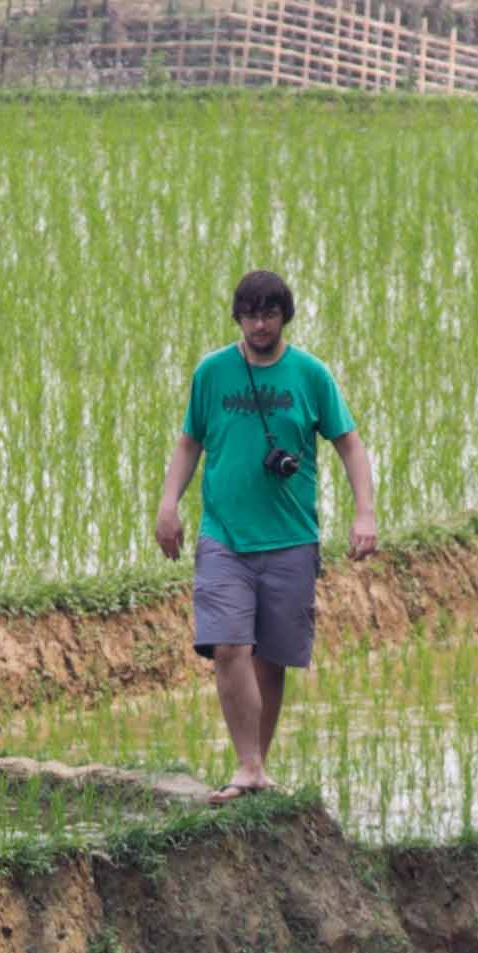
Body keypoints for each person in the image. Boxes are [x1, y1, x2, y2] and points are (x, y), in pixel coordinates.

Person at [154, 270, 377, 803]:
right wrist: (168, 505)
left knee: (271, 658)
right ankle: (247, 765)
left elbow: (350, 443)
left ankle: (256, 766)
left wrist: (364, 513)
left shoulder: (310, 375)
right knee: (229, 645)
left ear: (285, 317)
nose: (259, 325)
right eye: (250, 315)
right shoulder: (213, 372)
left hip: (291, 537)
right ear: (238, 318)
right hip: (223, 536)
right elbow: (190, 442)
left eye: (269, 315)